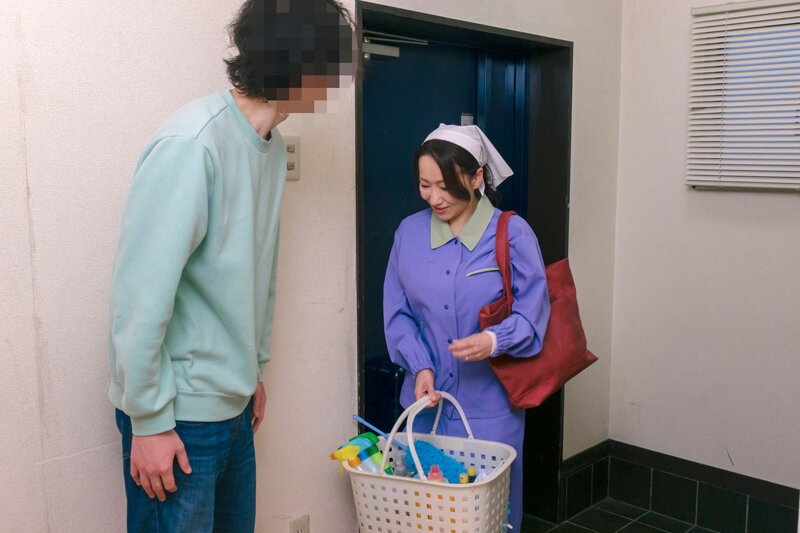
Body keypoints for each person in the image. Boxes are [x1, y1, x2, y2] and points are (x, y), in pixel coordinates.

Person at [107, 1, 355, 531]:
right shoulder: (193, 144)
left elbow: (255, 274)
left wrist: (251, 372)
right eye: (332, 65)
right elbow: (140, 295)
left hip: (233, 405)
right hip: (177, 414)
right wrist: (147, 419)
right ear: (297, 62)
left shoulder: (269, 146)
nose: (338, 82)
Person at [383, 124, 551, 532]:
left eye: (446, 186)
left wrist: (494, 339)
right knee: (425, 517)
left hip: (490, 411)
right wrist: (420, 366)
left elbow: (533, 314)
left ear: (477, 178)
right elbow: (397, 312)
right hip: (424, 406)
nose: (434, 198)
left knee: (487, 519)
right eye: (425, 185)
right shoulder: (409, 233)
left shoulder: (512, 234)